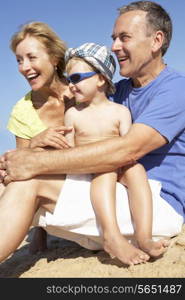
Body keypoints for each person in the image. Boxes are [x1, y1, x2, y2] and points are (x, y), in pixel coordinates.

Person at [0, 1, 184, 265]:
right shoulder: (117, 92)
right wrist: (33, 147)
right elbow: (71, 111)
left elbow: (127, 150)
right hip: (114, 194)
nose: (115, 46)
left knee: (30, 182)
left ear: (156, 40)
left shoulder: (176, 90)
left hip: (153, 206)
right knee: (9, 182)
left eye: (124, 37)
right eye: (113, 38)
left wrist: (34, 161)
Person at [64, 42, 167, 264]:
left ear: (101, 78)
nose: (70, 86)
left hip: (118, 162)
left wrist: (125, 166)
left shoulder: (120, 112)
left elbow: (128, 147)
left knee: (137, 170)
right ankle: (111, 234)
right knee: (105, 171)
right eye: (68, 79)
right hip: (90, 167)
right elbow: (69, 152)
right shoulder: (73, 114)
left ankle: (144, 236)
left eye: (75, 78)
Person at [5, 21, 75, 254]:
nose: (24, 67)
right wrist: (34, 143)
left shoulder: (82, 90)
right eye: (19, 60)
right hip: (47, 193)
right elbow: (22, 168)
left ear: (55, 58)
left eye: (31, 57)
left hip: (89, 186)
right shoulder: (22, 110)